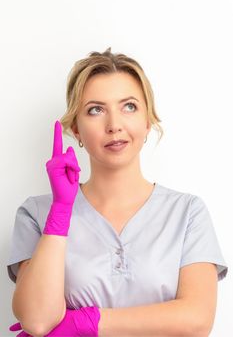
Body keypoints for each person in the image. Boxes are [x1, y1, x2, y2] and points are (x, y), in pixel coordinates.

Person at [7, 48, 228, 336]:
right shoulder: (36, 213)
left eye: (129, 107)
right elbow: (37, 320)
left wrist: (89, 322)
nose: (114, 125)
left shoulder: (187, 212)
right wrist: (61, 211)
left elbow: (197, 319)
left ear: (147, 121)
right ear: (76, 128)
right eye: (95, 110)